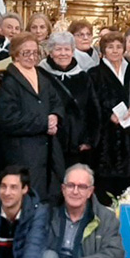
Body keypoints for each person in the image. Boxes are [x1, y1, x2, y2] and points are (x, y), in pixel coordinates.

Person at [0, 33, 66, 201]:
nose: (32, 57)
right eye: (26, 52)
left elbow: (56, 101)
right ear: (15, 54)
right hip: (23, 152)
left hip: (47, 150)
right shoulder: (10, 81)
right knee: (27, 200)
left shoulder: (41, 76)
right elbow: (8, 118)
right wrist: (43, 123)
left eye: (35, 52)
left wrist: (55, 116)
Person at [89, 31, 130, 199]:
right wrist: (107, 116)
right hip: (107, 136)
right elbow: (91, 102)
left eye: (119, 46)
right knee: (108, 182)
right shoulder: (94, 73)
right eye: (110, 47)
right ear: (103, 50)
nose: (115, 51)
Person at [40, 32, 102, 174]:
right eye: (58, 49)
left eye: (67, 49)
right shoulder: (41, 75)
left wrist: (89, 139)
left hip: (76, 145)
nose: (63, 53)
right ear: (50, 52)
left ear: (73, 52)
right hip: (49, 141)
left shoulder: (83, 77)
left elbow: (93, 110)